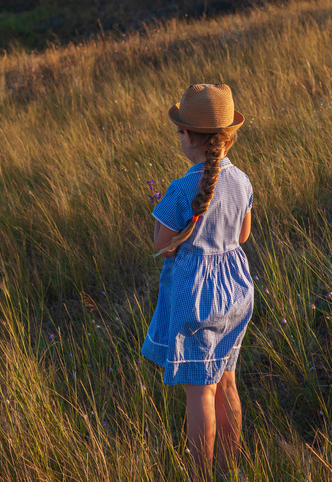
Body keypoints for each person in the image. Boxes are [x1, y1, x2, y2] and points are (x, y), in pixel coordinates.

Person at [141, 83, 254, 482]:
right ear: (228, 136)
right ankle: (231, 470)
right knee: (226, 383)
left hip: (197, 296)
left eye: (180, 131)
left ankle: (201, 476)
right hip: (237, 291)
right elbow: (241, 236)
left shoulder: (182, 188)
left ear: (189, 137)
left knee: (199, 393)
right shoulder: (242, 182)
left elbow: (161, 245)